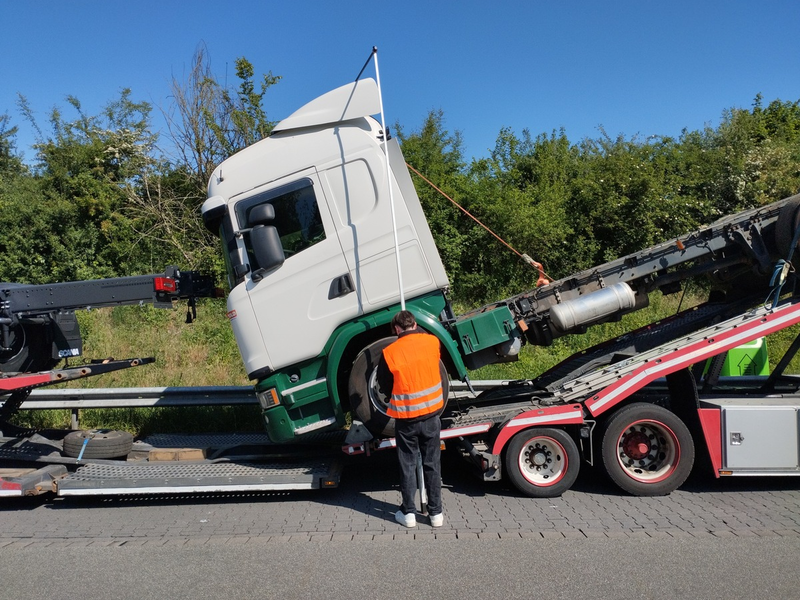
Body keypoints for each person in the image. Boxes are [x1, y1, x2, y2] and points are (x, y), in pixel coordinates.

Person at [377, 310, 445, 528]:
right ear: (415, 324)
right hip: (432, 414)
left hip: (406, 418)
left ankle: (408, 514)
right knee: (432, 464)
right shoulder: (432, 342)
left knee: (407, 464)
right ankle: (436, 515)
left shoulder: (389, 352)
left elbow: (384, 384)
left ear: (397, 329)